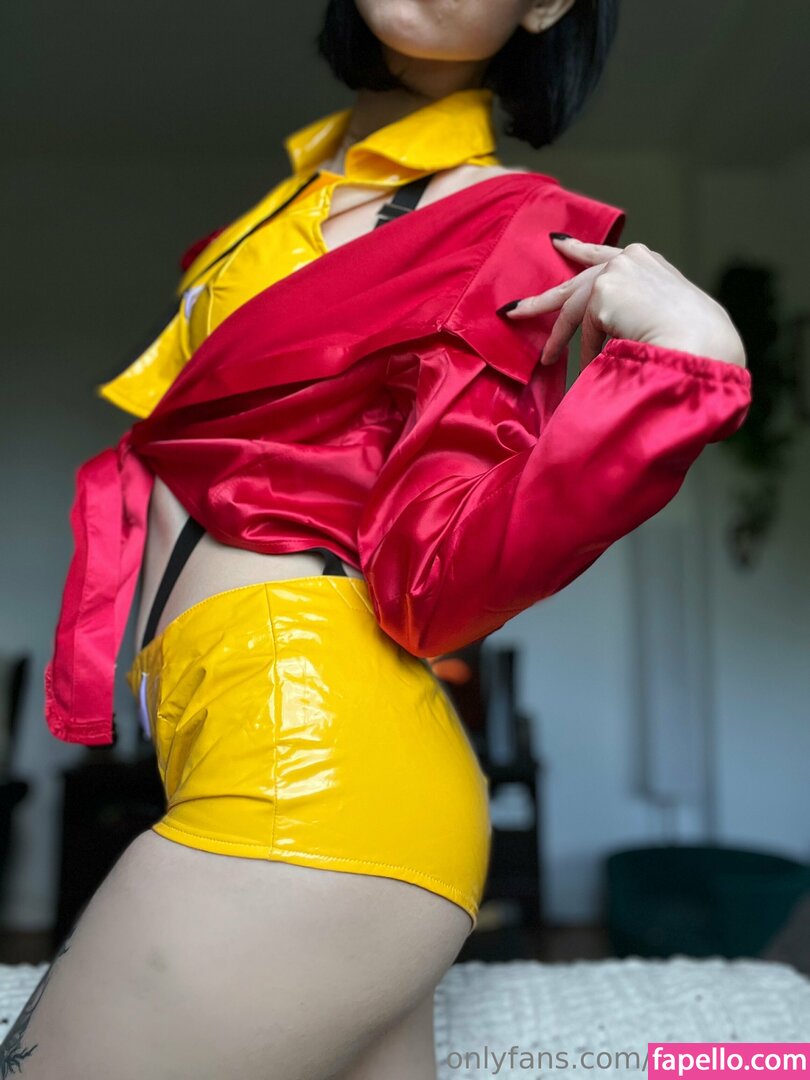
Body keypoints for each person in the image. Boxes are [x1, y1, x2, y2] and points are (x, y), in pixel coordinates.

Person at [4, 2, 751, 1078]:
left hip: (317, 762)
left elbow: (438, 581)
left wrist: (683, 371)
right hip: (269, 750)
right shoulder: (299, 201)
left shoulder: (500, 220)